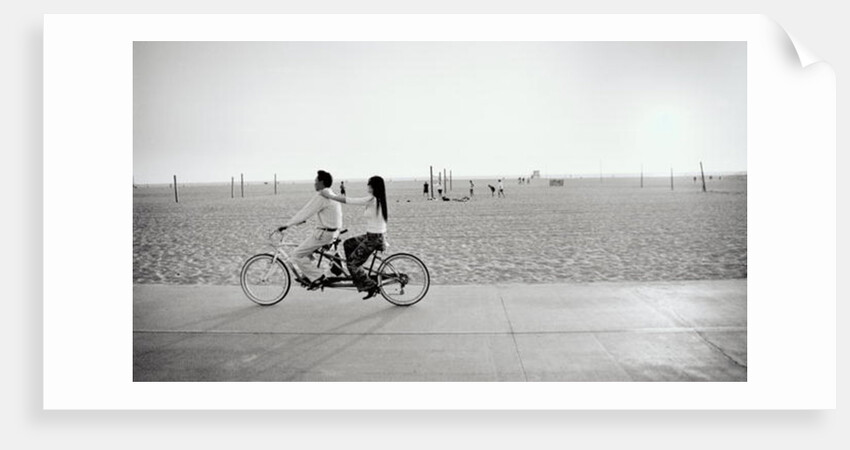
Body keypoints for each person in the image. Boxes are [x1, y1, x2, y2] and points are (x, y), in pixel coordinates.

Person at [320, 176, 388, 300]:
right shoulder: (377, 200)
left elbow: (350, 200)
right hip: (372, 236)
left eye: (369, 184)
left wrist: (330, 196)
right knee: (348, 243)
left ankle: (370, 285)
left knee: (352, 263)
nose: (367, 186)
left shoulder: (372, 200)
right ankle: (357, 275)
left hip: (373, 238)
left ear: (373, 186)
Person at [277, 170, 342, 289]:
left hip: (323, 234)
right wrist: (301, 220)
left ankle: (318, 278)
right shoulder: (332, 194)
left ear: (321, 182)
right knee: (306, 251)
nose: (314, 183)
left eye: (316, 181)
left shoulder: (322, 195)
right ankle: (308, 276)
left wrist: (287, 224)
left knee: (296, 255)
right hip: (332, 233)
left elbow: (306, 211)